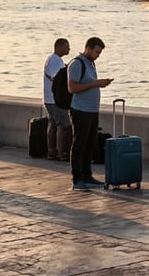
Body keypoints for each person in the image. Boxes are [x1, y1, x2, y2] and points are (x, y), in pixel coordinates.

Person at [67, 37, 113, 191]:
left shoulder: (90, 63)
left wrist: (100, 83)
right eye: (97, 52)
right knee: (79, 143)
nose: (98, 55)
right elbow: (72, 88)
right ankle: (77, 178)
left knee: (90, 143)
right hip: (80, 110)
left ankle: (87, 175)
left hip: (92, 110)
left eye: (99, 53)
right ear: (88, 49)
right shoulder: (76, 64)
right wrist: (96, 84)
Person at [42, 37, 72, 161]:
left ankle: (51, 151)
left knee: (53, 123)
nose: (69, 49)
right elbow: (56, 78)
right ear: (59, 47)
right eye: (67, 46)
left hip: (49, 99)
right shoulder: (55, 61)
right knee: (62, 125)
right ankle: (60, 153)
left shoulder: (52, 59)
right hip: (56, 100)